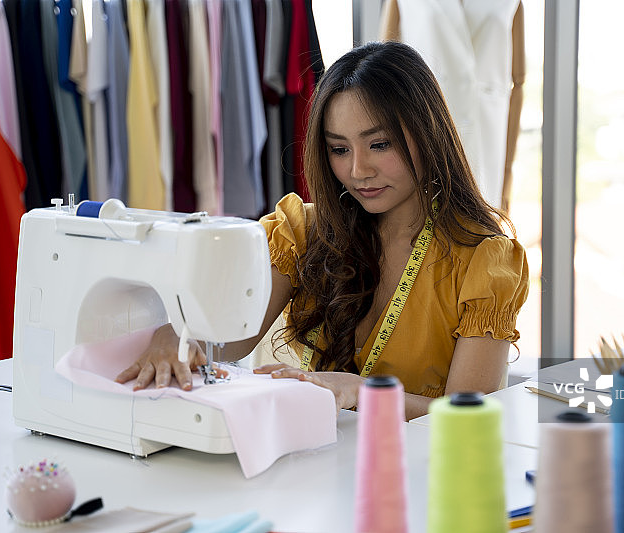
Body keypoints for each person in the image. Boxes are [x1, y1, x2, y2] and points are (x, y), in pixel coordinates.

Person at [116, 41, 529, 420]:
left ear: (428, 134)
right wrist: (179, 334)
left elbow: (471, 417)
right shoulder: (303, 231)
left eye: (379, 144)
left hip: (427, 475)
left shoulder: (483, 259)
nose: (358, 170)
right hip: (326, 462)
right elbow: (232, 338)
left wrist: (358, 390)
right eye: (339, 149)